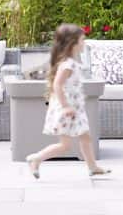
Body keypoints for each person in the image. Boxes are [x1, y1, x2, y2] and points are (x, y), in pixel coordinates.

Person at [26, 23, 111, 179]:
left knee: (85, 137)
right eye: (82, 40)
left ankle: (93, 167)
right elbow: (57, 85)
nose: (84, 43)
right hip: (68, 110)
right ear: (73, 43)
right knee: (65, 146)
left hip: (74, 109)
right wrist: (65, 107)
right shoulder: (68, 65)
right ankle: (36, 159)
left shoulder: (70, 62)